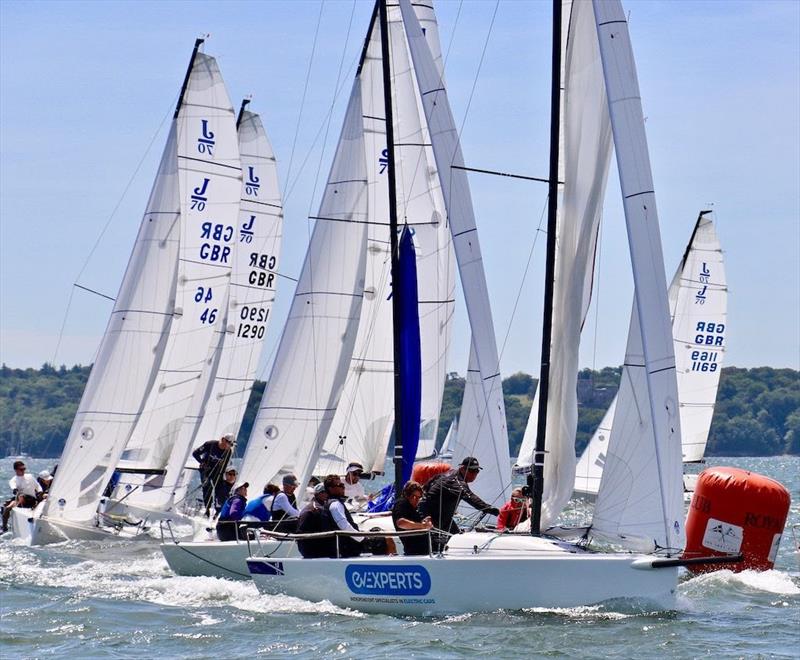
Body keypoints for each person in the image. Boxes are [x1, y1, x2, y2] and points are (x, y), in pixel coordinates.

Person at [418, 456, 500, 551]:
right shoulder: (457, 482)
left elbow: (428, 485)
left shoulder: (449, 474)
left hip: (445, 519)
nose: (474, 474)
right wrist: (494, 511)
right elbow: (472, 498)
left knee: (458, 540)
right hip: (432, 520)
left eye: (477, 471)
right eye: (471, 471)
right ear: (462, 469)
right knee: (442, 547)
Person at [192, 433, 234, 516]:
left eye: (231, 444)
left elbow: (224, 466)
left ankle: (217, 512)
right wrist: (202, 462)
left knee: (221, 490)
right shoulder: (210, 444)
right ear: (223, 439)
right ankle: (207, 510)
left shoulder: (228, 451)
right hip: (205, 470)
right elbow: (195, 453)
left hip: (217, 472)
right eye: (228, 442)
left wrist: (227, 478)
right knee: (207, 488)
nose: (229, 445)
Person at [391, 480, 433, 556]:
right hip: (414, 551)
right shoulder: (401, 503)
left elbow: (413, 522)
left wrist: (423, 522)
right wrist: (423, 526)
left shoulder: (413, 507)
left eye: (419, 497)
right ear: (407, 495)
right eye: (414, 496)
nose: (416, 500)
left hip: (424, 550)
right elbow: (401, 523)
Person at [3, 461, 42, 532]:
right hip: (20, 499)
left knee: (21, 497)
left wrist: (40, 492)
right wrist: (14, 489)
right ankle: (4, 527)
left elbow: (38, 486)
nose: (23, 471)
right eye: (21, 469)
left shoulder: (30, 476)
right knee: (7, 508)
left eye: (24, 469)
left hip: (31, 499)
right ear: (16, 470)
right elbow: (13, 486)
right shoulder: (13, 480)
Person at [296, 483, 333, 558]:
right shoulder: (318, 508)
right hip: (312, 548)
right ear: (318, 494)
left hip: (305, 547)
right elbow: (326, 530)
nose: (327, 494)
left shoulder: (314, 505)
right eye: (324, 492)